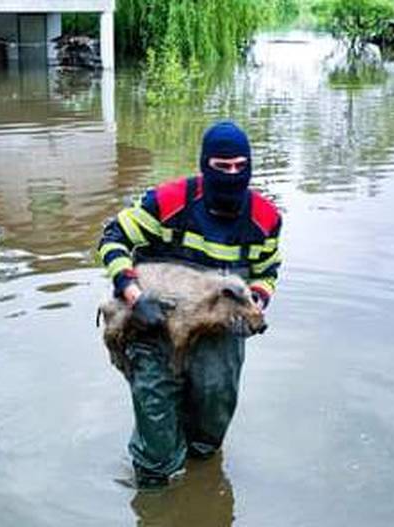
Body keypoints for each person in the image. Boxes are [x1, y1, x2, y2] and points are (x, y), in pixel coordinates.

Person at [97, 120, 283, 488]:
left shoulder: (265, 218)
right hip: (151, 320)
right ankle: (155, 488)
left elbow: (268, 271)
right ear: (204, 165)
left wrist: (254, 301)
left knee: (210, 427)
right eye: (221, 167)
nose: (231, 175)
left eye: (239, 167)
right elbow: (112, 238)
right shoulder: (167, 201)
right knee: (157, 438)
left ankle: (201, 485)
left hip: (219, 325)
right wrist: (135, 296)